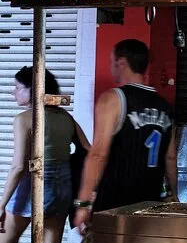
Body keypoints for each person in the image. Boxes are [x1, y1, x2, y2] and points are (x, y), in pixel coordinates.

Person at [0, 67, 90, 243]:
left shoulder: (24, 119)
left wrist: (1, 204)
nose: (13, 92)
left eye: (18, 87)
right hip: (63, 185)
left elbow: (19, 166)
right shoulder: (65, 117)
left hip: (34, 184)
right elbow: (87, 149)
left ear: (32, 90)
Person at [73, 39, 177, 230]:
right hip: (150, 203)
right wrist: (174, 195)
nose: (111, 67)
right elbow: (170, 157)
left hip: (114, 203)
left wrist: (84, 203)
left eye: (111, 61)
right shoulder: (165, 106)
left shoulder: (113, 99)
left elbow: (98, 154)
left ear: (121, 62)